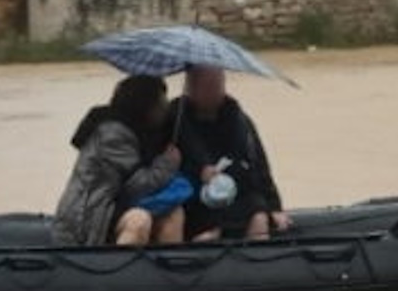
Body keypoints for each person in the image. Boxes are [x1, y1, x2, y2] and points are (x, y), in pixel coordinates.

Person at [52, 75, 185, 247]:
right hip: (88, 217)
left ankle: (170, 272)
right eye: (160, 104)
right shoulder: (113, 135)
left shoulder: (141, 131)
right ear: (144, 106)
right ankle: (119, 272)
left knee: (173, 212)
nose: (164, 108)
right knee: (139, 220)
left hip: (113, 207)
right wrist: (168, 163)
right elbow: (138, 186)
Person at [170, 65, 290, 241]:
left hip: (235, 193)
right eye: (207, 86)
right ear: (190, 87)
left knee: (259, 214)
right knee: (206, 228)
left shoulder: (238, 119)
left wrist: (274, 207)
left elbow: (259, 165)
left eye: (218, 85)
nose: (215, 92)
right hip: (194, 197)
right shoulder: (175, 121)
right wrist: (197, 171)